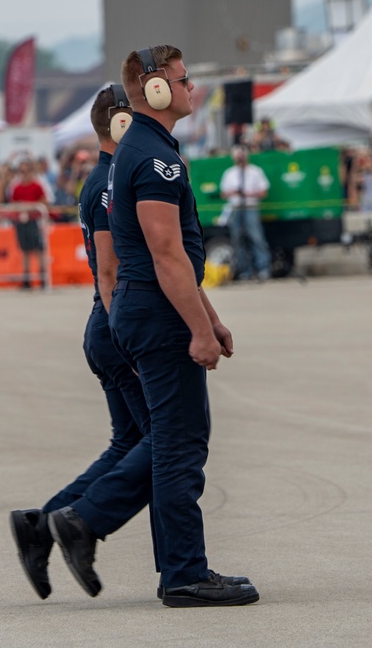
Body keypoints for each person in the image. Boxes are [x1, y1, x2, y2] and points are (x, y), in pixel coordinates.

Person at [105, 44, 258, 607]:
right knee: (179, 446)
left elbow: (177, 261)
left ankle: (178, 567)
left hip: (150, 307)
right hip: (158, 313)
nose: (192, 88)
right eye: (185, 80)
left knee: (173, 442)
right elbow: (168, 256)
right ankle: (185, 574)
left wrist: (210, 318)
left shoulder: (142, 147)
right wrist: (197, 329)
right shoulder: (156, 158)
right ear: (157, 89)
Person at [10, 85, 154, 600]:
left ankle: (41, 524)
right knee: (163, 441)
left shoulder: (103, 179)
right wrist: (130, 339)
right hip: (116, 325)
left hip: (107, 324)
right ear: (120, 124)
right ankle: (81, 522)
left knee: (129, 443)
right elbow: (111, 270)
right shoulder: (110, 184)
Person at [219, 145, 271, 281]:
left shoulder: (255, 171)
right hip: (236, 208)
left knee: (256, 238)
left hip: (251, 207)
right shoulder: (229, 173)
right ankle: (245, 270)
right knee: (237, 239)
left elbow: (264, 191)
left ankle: (263, 268)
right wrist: (234, 192)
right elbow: (223, 193)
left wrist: (248, 194)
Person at [9, 158, 48, 289]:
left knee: (38, 249)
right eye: (21, 171)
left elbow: (44, 202)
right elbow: (13, 204)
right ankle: (27, 279)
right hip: (22, 221)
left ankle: (43, 277)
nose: (24, 173)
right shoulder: (17, 187)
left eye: (26, 171)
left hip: (34, 221)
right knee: (25, 250)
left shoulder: (36, 186)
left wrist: (30, 208)